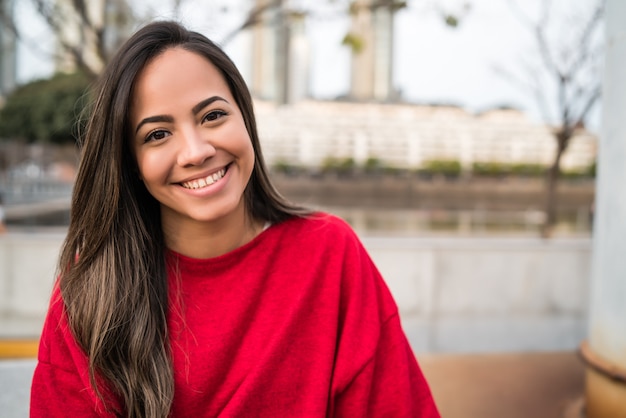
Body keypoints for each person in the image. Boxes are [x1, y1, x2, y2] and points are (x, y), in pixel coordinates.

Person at [30, 21, 440, 418]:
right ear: (130, 162)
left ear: (245, 118)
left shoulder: (328, 254)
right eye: (157, 135)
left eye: (212, 116)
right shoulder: (91, 293)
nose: (195, 151)